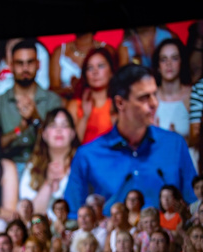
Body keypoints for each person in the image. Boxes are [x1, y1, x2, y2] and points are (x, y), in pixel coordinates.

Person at [64, 63, 198, 219]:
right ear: (120, 103)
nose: (154, 103)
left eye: (154, 94)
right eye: (144, 98)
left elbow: (194, 206)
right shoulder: (87, 156)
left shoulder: (174, 145)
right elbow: (72, 218)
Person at [0, 40, 62, 177]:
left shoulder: (53, 101)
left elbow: (60, 144)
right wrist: (19, 129)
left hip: (45, 168)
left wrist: (35, 118)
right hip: (7, 171)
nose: (25, 68)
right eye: (20, 63)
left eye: (30, 62)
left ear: (38, 64)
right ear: (11, 66)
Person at [19, 107, 80, 217]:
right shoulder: (32, 167)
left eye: (64, 126)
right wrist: (49, 183)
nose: (59, 130)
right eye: (53, 126)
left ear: (73, 133)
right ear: (44, 134)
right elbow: (28, 215)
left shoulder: (82, 164)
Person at [66, 47, 117, 144]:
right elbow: (71, 145)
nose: (95, 72)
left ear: (111, 72)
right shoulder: (75, 105)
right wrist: (85, 117)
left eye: (101, 66)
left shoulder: (119, 103)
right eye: (90, 68)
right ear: (85, 75)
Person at [49, 32, 115, 100]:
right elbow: (53, 91)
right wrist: (70, 90)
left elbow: (115, 84)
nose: (95, 71)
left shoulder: (108, 50)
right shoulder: (60, 52)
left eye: (100, 65)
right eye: (90, 67)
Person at [0, 38, 50, 102]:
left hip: (35, 103)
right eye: (19, 62)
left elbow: (43, 87)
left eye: (30, 62)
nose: (25, 68)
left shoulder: (39, 50)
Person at [152, 38, 192, 141]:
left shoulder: (193, 95)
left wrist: (177, 140)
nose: (168, 63)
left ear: (181, 62)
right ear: (158, 66)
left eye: (174, 58)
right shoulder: (150, 97)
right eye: (163, 59)